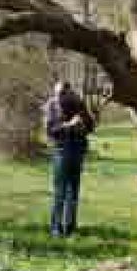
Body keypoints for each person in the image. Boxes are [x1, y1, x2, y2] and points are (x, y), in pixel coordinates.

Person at [44, 80, 95, 238]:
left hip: (77, 151)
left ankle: (70, 227)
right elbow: (50, 131)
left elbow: (91, 126)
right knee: (60, 192)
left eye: (62, 94)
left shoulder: (78, 104)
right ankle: (55, 227)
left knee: (73, 192)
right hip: (61, 151)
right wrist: (68, 126)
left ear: (69, 92)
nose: (59, 97)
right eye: (57, 93)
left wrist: (84, 125)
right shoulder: (52, 106)